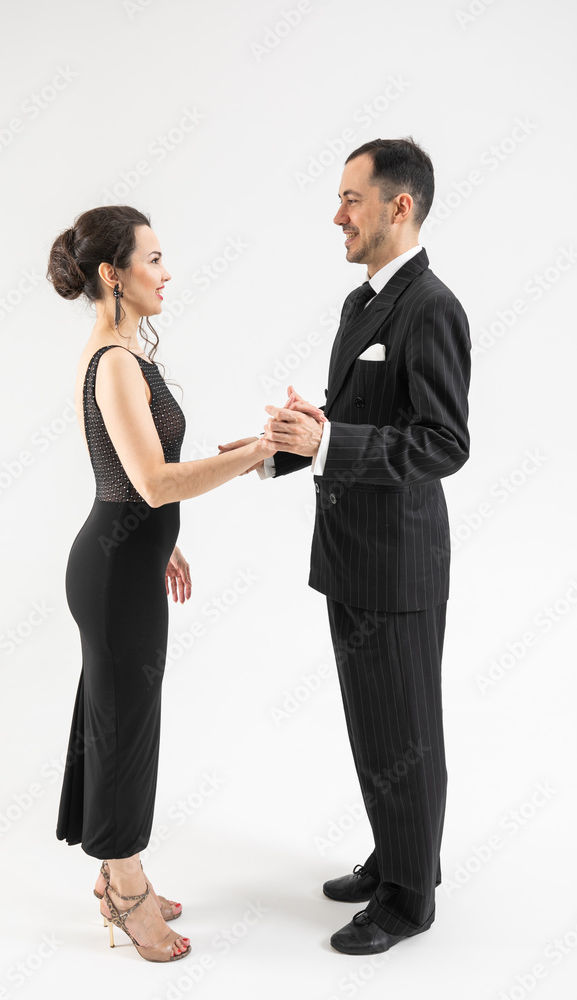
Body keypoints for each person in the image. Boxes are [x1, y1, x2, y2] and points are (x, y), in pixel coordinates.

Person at [220, 137, 471, 954]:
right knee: (373, 726)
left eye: (350, 199)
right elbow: (353, 423)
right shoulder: (358, 304)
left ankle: (408, 897)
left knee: (406, 729)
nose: (337, 215)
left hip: (398, 564)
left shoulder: (432, 307)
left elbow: (440, 443)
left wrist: (329, 444)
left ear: (399, 206)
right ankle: (393, 853)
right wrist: (291, 442)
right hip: (349, 553)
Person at [46, 206, 276, 963]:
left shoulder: (120, 353)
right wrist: (256, 454)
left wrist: (162, 546)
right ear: (113, 274)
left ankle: (122, 865)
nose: (166, 272)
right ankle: (122, 885)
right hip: (113, 574)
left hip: (128, 561)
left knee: (118, 717)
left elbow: (132, 482)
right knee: (124, 730)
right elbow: (149, 480)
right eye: (153, 259)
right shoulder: (113, 361)